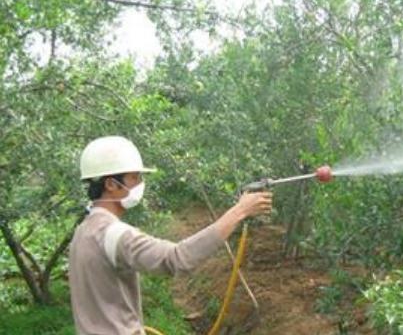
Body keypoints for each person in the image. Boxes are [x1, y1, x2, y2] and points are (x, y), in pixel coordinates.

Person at [68, 135, 272, 334]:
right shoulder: (114, 234)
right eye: (134, 177)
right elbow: (176, 258)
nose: (140, 183)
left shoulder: (83, 231)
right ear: (111, 184)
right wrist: (240, 211)